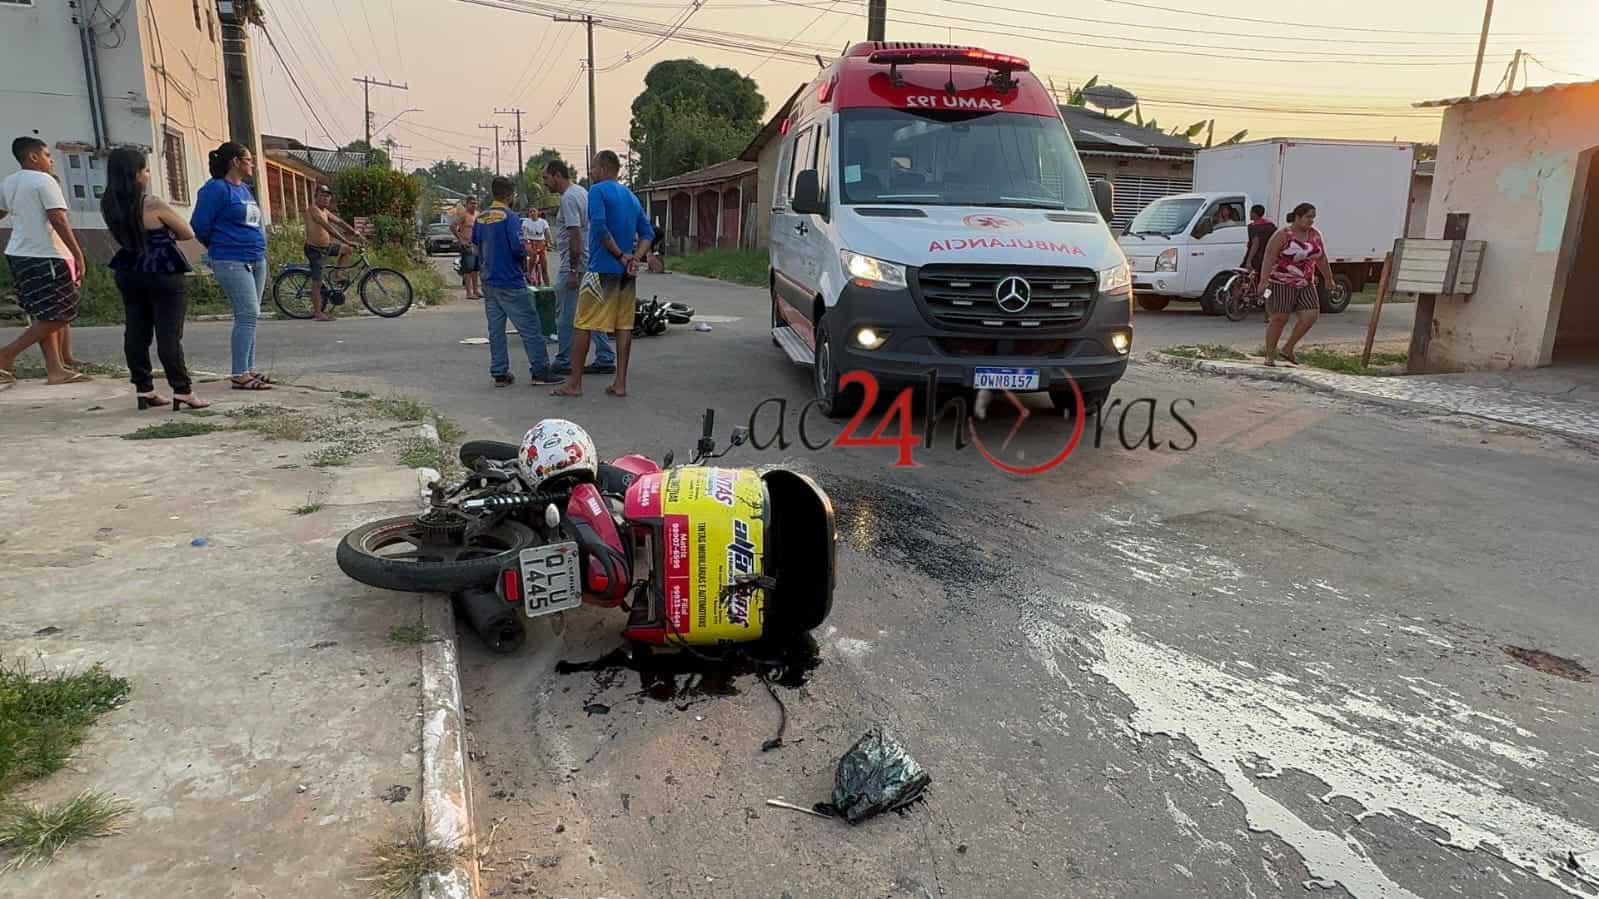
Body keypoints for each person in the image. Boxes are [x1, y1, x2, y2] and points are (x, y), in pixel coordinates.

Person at [101, 147, 208, 411]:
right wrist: (168, 232)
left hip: (128, 269)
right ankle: (182, 390)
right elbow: (187, 232)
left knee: (136, 331)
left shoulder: (109, 203)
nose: (148, 175)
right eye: (146, 170)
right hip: (162, 270)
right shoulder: (151, 203)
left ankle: (144, 389)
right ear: (136, 174)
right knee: (169, 334)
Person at [553, 150, 654, 398]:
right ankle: (620, 383)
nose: (590, 172)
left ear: (605, 168)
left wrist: (620, 255)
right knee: (623, 327)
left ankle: (574, 383)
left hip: (600, 269)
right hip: (625, 274)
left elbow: (598, 226)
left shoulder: (597, 191)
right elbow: (648, 233)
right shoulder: (631, 197)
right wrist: (635, 258)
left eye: (594, 167)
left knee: (582, 325)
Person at [0, 135, 91, 386]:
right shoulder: (44, 180)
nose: (51, 160)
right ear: (33, 157)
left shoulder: (9, 182)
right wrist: (77, 253)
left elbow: (1, 211)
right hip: (45, 253)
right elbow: (58, 219)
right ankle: (6, 354)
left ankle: (55, 369)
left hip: (19, 252)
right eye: (47, 155)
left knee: (44, 312)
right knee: (61, 313)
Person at [191, 141, 271, 390]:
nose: (252, 164)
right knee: (248, 313)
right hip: (230, 258)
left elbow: (254, 222)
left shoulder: (245, 190)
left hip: (256, 258)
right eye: (248, 159)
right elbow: (200, 225)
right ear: (235, 162)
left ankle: (248, 368)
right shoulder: (216, 189)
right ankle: (239, 374)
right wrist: (216, 249)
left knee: (249, 316)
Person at [474, 176, 558, 387]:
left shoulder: (481, 217)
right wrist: (526, 259)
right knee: (530, 326)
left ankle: (500, 373)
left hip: (489, 281)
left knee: (496, 330)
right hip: (510, 281)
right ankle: (540, 370)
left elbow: (476, 244)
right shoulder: (510, 217)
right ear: (509, 195)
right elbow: (517, 248)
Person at [541, 160, 615, 376]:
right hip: (589, 262)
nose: (545, 183)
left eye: (546, 178)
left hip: (575, 266)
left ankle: (564, 359)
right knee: (591, 312)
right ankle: (604, 356)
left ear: (557, 175)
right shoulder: (582, 192)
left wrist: (573, 271)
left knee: (565, 315)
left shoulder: (569, 198)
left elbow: (575, 236)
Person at [1260, 202, 1333, 367]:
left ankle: (1288, 348)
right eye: (1308, 217)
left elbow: (1321, 257)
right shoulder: (1283, 235)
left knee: (1311, 315)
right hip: (1280, 282)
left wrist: (1329, 278)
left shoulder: (1315, 235)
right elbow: (1269, 257)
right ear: (1298, 217)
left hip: (1305, 282)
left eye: (1313, 217)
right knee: (1279, 318)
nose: (1311, 221)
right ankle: (1270, 355)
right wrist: (1263, 281)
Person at [304, 184, 364, 321]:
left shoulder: (325, 211)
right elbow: (329, 228)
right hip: (314, 249)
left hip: (326, 247)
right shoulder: (314, 210)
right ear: (316, 196)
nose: (325, 199)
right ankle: (318, 313)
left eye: (328, 197)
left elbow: (340, 222)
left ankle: (337, 275)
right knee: (317, 282)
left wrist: (354, 232)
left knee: (347, 250)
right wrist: (347, 240)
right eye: (322, 196)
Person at [453, 196, 481, 299]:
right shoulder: (463, 215)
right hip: (467, 245)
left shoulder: (478, 215)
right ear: (467, 204)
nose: (474, 205)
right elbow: (453, 226)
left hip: (476, 245)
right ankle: (469, 293)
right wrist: (461, 240)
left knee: (476, 269)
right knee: (468, 269)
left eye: (475, 203)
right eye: (472, 203)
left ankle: (476, 290)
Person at [1243, 203, 1275, 281]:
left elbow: (1255, 244)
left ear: (1254, 214)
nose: (1249, 214)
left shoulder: (1253, 227)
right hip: (1266, 256)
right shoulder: (1271, 226)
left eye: (1250, 212)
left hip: (1256, 257)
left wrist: (1249, 260)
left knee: (1244, 276)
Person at [521, 205, 549, 287]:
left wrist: (550, 242)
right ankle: (529, 276)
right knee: (532, 257)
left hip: (541, 243)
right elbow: (524, 232)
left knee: (544, 267)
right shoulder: (526, 222)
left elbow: (547, 233)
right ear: (529, 214)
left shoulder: (543, 222)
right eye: (530, 211)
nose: (532, 213)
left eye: (534, 211)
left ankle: (547, 286)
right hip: (530, 242)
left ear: (538, 212)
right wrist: (526, 241)